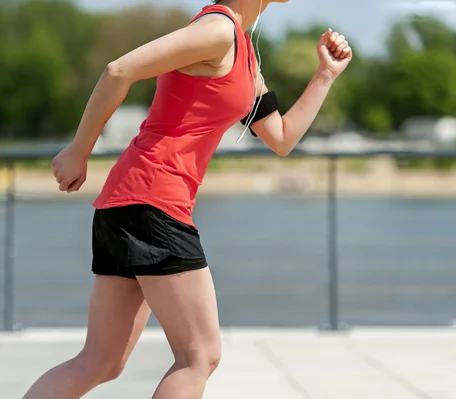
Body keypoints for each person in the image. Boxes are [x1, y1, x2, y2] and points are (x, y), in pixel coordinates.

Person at [23, 0, 352, 397]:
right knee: (200, 356)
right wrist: (79, 150)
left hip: (129, 205)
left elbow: (280, 137)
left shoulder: (243, 51)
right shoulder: (217, 31)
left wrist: (325, 75)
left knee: (101, 361)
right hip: (152, 203)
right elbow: (119, 70)